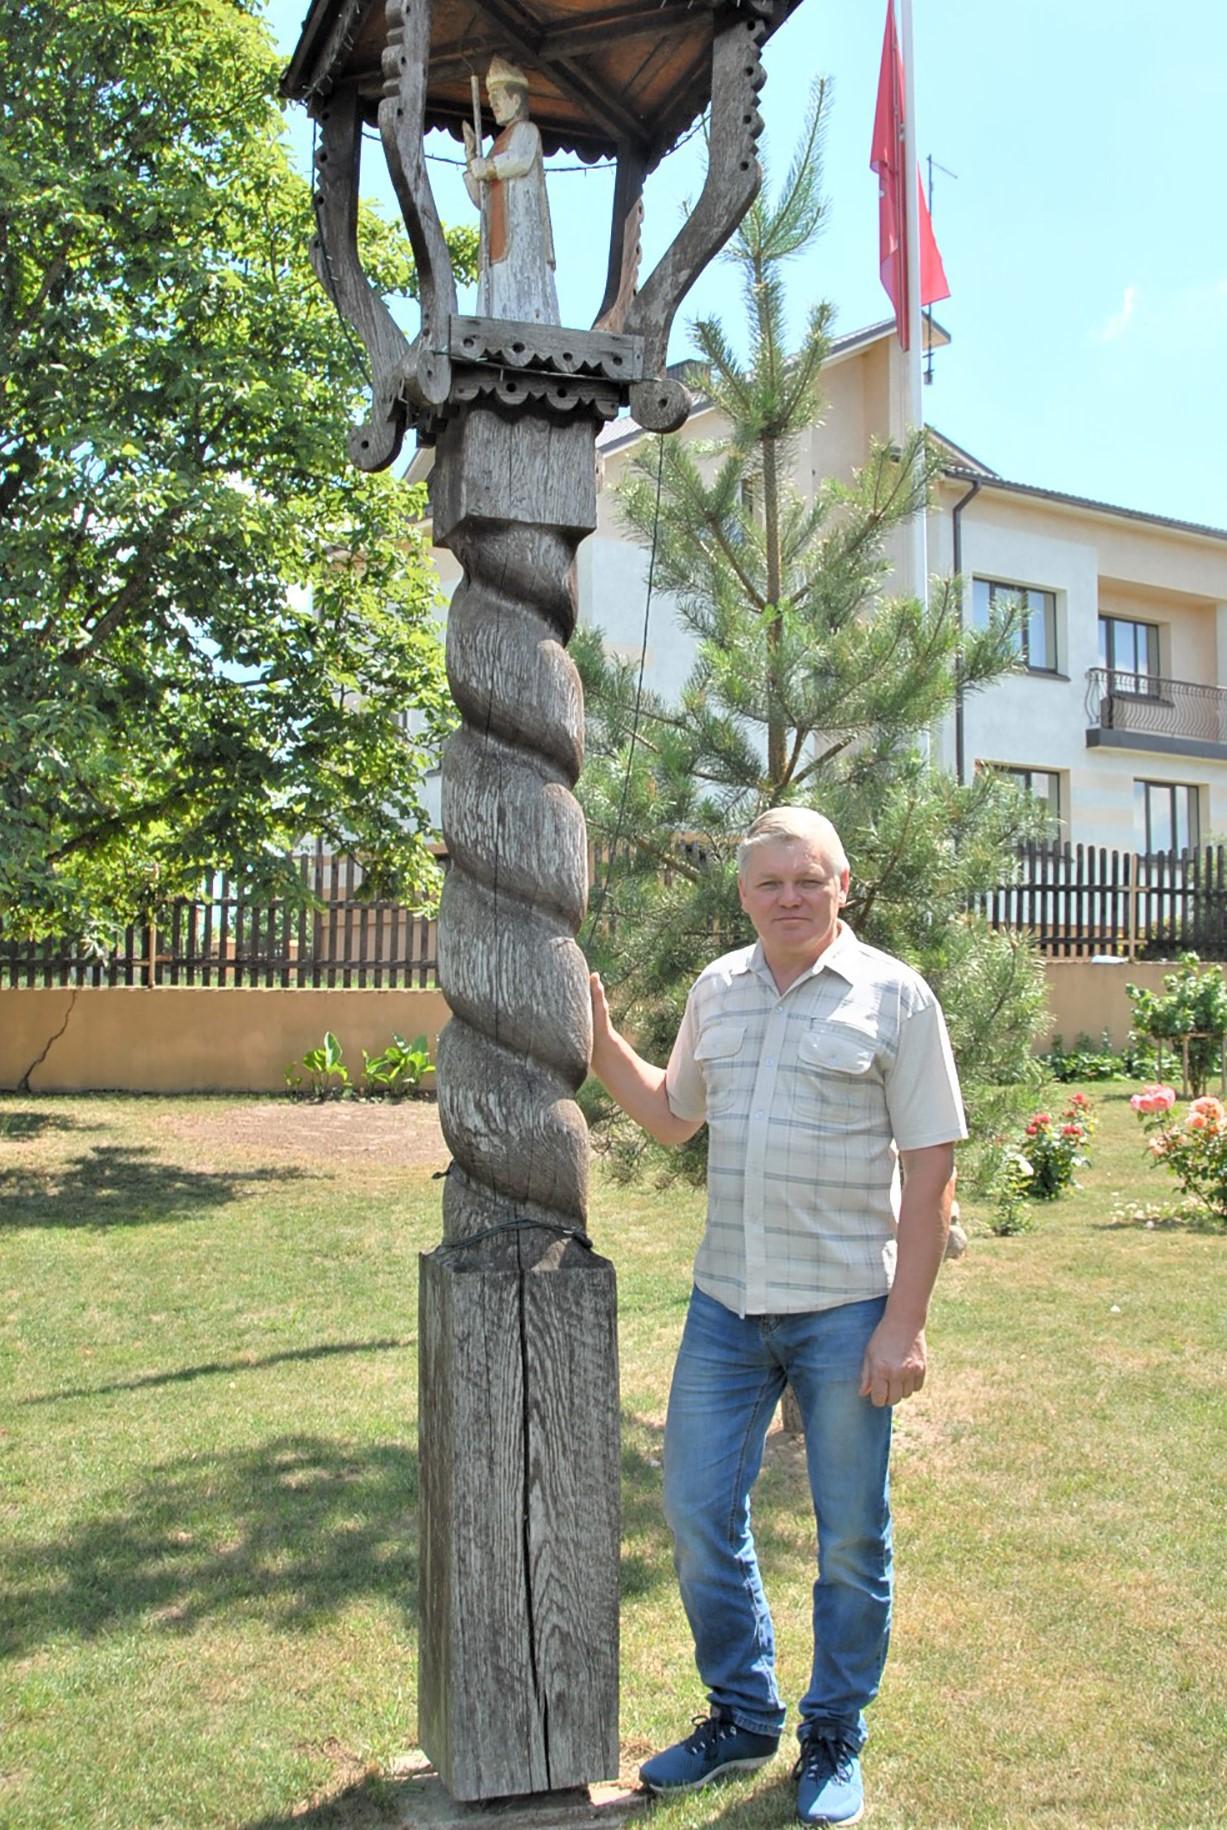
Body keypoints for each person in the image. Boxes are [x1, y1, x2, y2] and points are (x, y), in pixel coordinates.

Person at [588, 807, 965, 1826]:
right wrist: (602, 1042)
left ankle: (833, 1731)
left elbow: (932, 1169)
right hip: (727, 1306)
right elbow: (673, 1116)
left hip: (848, 1308)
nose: (789, 897)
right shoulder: (719, 989)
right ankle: (744, 1714)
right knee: (697, 1513)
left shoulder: (897, 998)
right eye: (769, 883)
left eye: (808, 879)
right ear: (744, 893)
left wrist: (905, 1324)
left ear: (843, 884)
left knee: (850, 1539)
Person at [462, 56, 559, 325]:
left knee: (522, 282)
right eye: (490, 98)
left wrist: (489, 168)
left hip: (522, 232)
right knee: (499, 287)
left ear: (516, 100)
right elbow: (482, 200)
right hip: (497, 238)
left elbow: (519, 160)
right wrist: (472, 160)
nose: (492, 103)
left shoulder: (526, 131)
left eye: (497, 96)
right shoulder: (495, 147)